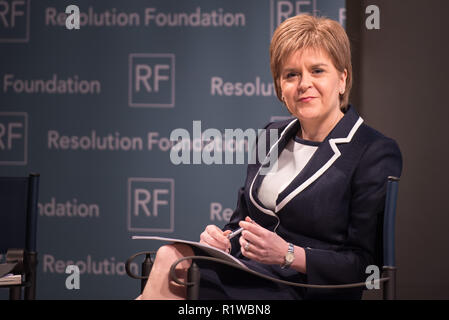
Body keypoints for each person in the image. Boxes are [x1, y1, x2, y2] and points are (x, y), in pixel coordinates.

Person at [137, 14, 402, 300]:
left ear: (342, 78)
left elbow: (366, 267)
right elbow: (241, 222)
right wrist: (220, 241)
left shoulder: (373, 151)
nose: (304, 84)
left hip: (307, 290)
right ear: (280, 88)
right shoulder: (271, 136)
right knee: (170, 256)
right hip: (252, 274)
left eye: (317, 71)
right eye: (291, 74)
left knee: (187, 281)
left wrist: (288, 254)